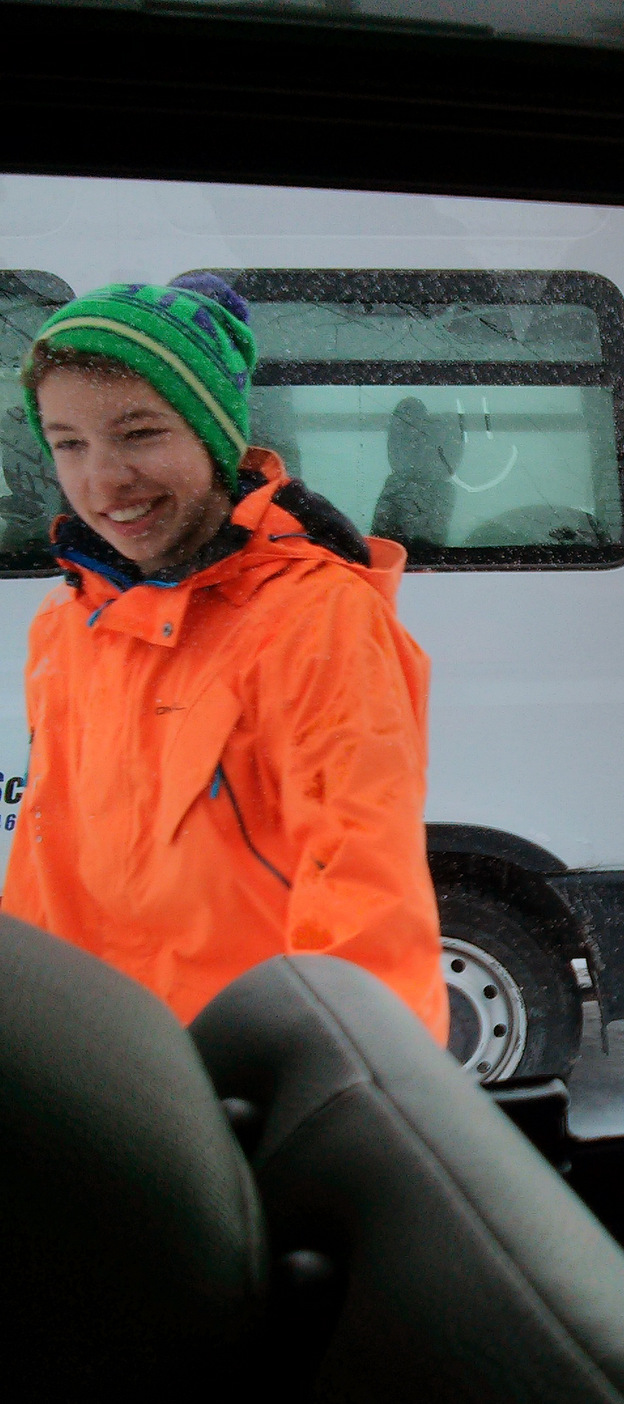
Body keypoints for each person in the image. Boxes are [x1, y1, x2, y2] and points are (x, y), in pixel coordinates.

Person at [2, 281, 448, 1042]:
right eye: (69, 443)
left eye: (140, 433)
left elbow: (364, 905)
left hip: (243, 1073)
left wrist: (337, 1091)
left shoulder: (317, 618)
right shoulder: (69, 620)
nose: (102, 481)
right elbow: (46, 870)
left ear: (214, 437)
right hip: (106, 1063)